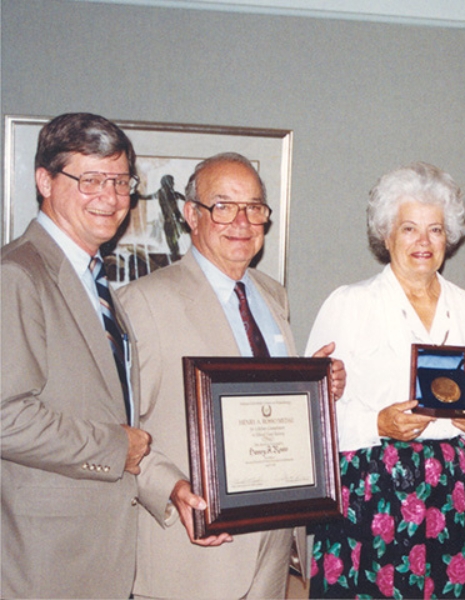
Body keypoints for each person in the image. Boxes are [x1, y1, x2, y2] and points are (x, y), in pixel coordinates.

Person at [118, 152, 345, 599]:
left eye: (254, 208)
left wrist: (319, 387)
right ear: (191, 214)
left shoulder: (271, 295)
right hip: (191, 555)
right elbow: (117, 427)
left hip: (274, 549)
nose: (241, 222)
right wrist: (170, 490)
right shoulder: (142, 302)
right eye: (223, 206)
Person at [304, 162, 465, 598]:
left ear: (448, 236)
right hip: (372, 487)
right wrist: (377, 424)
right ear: (386, 234)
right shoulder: (349, 304)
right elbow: (310, 411)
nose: (423, 242)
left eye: (435, 230)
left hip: (450, 490)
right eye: (409, 228)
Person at [1, 112, 153, 598]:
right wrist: (115, 447)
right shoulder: (19, 274)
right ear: (45, 180)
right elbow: (5, 417)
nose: (110, 198)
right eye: (90, 180)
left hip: (99, 552)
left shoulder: (95, 279)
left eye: (120, 180)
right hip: (47, 559)